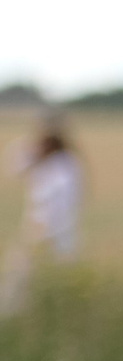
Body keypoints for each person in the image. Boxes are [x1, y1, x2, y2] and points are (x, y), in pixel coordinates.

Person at [1, 108, 84, 313]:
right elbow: (13, 166)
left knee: (53, 279)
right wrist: (33, 149)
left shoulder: (66, 165)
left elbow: (62, 207)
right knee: (21, 282)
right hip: (38, 231)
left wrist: (43, 234)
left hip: (55, 234)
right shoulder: (41, 160)